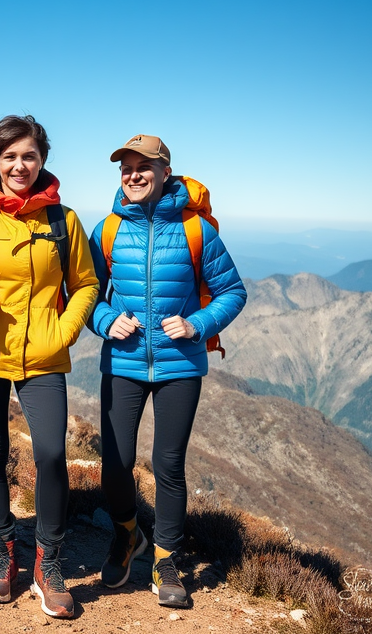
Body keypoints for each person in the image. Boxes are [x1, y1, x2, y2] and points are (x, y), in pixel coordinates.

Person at [88, 134, 246, 609]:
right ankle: (128, 535)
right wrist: (104, 319)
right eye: (125, 169)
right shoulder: (107, 231)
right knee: (115, 464)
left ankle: (165, 559)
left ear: (164, 172)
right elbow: (83, 292)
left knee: (168, 466)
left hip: (180, 366)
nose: (132, 175)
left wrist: (197, 324)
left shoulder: (198, 231)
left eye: (143, 167)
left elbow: (232, 292)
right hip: (123, 361)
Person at [0, 115, 99, 619]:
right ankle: (2, 552)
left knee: (51, 454)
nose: (20, 165)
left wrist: (64, 332)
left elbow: (85, 283)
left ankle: (49, 560)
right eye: (11, 156)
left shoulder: (64, 220)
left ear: (43, 161)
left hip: (43, 356)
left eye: (30, 156)